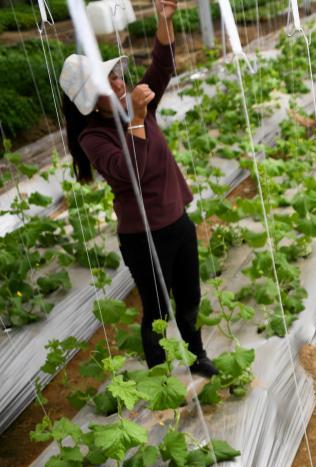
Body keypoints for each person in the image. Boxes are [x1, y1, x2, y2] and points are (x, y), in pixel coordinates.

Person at [59, 0, 217, 377]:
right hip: (143, 236)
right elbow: (128, 170)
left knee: (190, 298)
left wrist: (164, 20)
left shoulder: (136, 106)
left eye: (115, 76)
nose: (117, 82)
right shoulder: (93, 137)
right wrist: (138, 121)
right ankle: (160, 377)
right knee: (157, 309)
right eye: (105, 82)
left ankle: (197, 356)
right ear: (89, 104)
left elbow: (161, 66)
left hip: (177, 220)